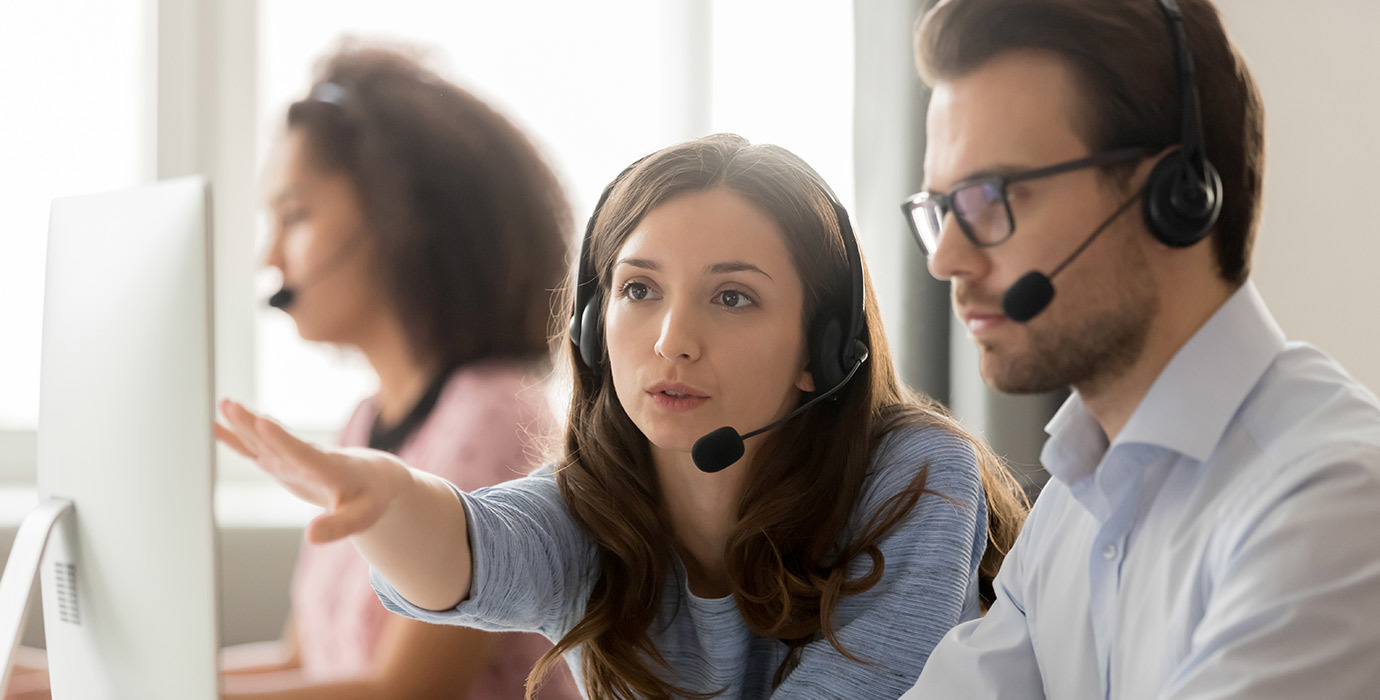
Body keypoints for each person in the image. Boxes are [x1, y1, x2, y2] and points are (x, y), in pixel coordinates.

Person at [216, 133, 1029, 699]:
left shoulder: (916, 477)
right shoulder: (593, 505)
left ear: (821, 346)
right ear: (591, 327)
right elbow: (475, 550)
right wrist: (392, 505)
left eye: (733, 297)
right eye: (639, 290)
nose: (673, 341)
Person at [3, 44, 583, 700]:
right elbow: (305, 663)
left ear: (401, 218)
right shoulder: (366, 422)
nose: (271, 255)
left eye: (296, 215)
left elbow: (405, 691)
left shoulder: (497, 416)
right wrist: (63, 680)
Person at [898, 0, 1380, 698]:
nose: (945, 259)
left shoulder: (1331, 502)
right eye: (941, 208)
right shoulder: (1075, 494)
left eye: (990, 196)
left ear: (1173, 197)